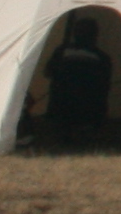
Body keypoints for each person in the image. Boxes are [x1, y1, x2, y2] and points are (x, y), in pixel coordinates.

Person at [38, 14, 115, 150]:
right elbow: (105, 85)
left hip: (66, 106)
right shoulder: (101, 57)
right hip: (84, 108)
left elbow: (48, 72)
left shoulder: (62, 52)